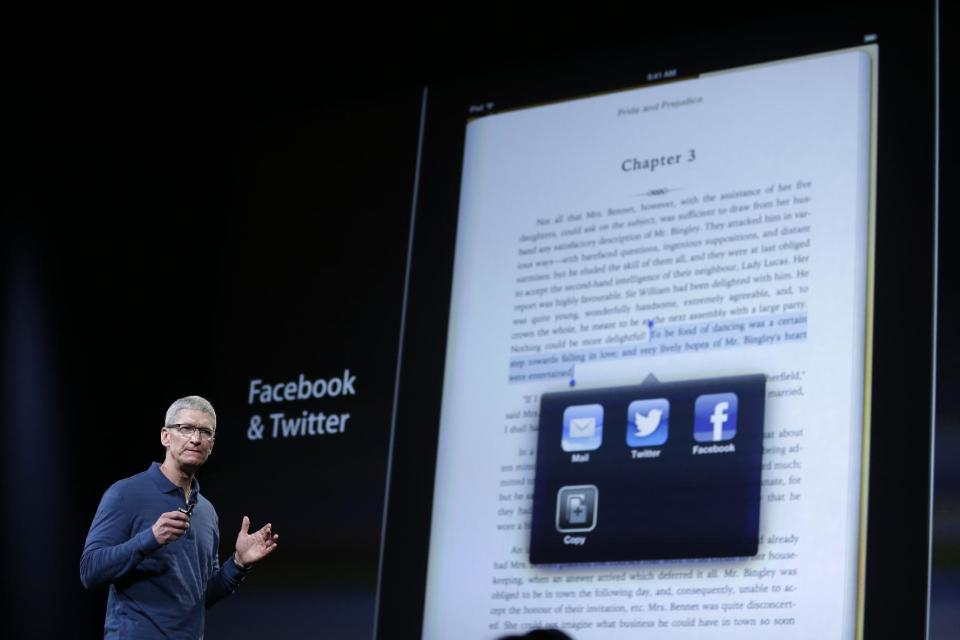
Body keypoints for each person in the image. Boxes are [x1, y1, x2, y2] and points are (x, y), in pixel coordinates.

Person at [80, 395, 278, 638]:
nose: (195, 439)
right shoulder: (126, 494)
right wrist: (150, 538)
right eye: (186, 429)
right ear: (165, 436)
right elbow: (90, 571)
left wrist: (239, 562)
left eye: (205, 432)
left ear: (212, 445)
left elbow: (200, 596)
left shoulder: (206, 511)